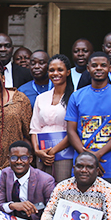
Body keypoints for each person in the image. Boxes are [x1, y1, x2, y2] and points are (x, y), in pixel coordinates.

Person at [65, 52, 111, 192]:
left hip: (110, 166)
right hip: (82, 167)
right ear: (88, 68)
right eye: (94, 65)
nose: (99, 68)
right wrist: (88, 158)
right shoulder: (77, 96)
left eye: (103, 65)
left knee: (110, 210)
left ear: (110, 68)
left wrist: (98, 155)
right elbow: (71, 130)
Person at [31, 54, 75, 183]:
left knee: (62, 190)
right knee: (43, 191)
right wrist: (37, 151)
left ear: (68, 72)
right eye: (51, 70)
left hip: (65, 153)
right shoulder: (41, 97)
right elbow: (34, 128)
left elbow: (73, 130)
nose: (55, 73)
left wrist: (53, 151)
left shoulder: (74, 97)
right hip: (43, 153)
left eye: (60, 70)